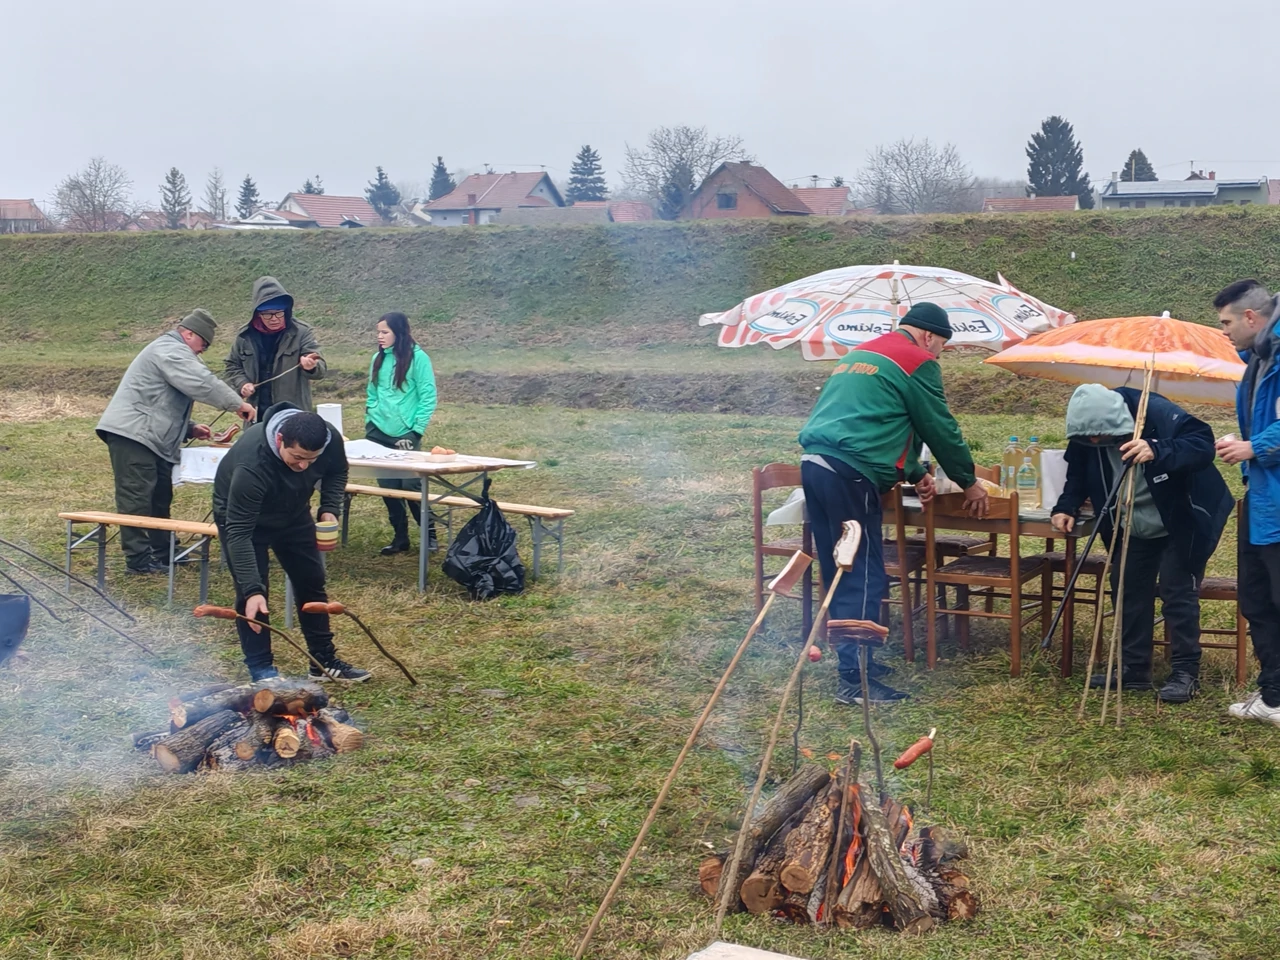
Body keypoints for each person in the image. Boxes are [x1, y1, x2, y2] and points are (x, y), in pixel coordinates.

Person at [798, 302, 989, 705]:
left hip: (816, 465)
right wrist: (968, 481)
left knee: (837, 566)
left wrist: (915, 471)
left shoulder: (863, 353)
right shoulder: (917, 360)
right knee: (862, 573)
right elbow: (938, 424)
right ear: (929, 337)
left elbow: (877, 419)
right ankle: (854, 679)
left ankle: (855, 658)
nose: (938, 356)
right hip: (850, 472)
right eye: (941, 348)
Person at [1050, 384, 1231, 702]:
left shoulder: (1155, 412)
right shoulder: (1086, 431)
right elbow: (1077, 472)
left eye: (1101, 436)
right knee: (1126, 586)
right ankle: (1135, 670)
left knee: (1177, 590)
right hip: (1133, 522)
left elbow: (1202, 445)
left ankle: (1185, 672)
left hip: (1182, 516)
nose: (1094, 442)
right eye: (1087, 438)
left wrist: (1157, 448)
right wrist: (1066, 506)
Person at [212, 402, 370, 683]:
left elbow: (336, 470)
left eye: (311, 459)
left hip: (293, 513)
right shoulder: (253, 465)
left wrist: (329, 506)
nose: (303, 466)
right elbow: (239, 533)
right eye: (297, 457)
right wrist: (252, 589)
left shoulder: (327, 437)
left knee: (311, 580)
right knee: (254, 598)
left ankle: (322, 661)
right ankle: (263, 674)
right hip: (244, 522)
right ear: (280, 439)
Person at [96, 309, 256, 574]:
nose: (202, 351)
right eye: (203, 344)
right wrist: (236, 403)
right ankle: (138, 561)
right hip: (133, 435)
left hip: (147, 434)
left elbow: (158, 398)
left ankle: (165, 552)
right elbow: (199, 381)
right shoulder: (170, 349)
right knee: (136, 499)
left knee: (160, 496)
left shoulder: (171, 351)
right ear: (189, 334)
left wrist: (190, 428)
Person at [1214, 278, 1280, 727]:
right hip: (1261, 499)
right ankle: (1274, 695)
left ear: (1251, 318)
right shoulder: (1258, 361)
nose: (1223, 331)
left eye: (1226, 322)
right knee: (1256, 599)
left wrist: (1254, 447)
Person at [364, 312, 439, 555]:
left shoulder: (419, 358)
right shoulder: (377, 358)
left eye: (385, 332)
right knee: (388, 486)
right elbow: (372, 392)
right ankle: (400, 538)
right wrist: (371, 417)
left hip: (406, 432)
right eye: (378, 332)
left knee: (410, 485)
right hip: (378, 431)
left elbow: (428, 396)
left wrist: (416, 430)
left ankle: (430, 536)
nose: (380, 337)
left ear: (399, 332)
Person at [223, 277, 326, 412]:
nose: (274, 319)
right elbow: (232, 366)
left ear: (286, 310)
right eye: (267, 314)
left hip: (293, 415)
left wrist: (311, 366)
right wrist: (242, 383)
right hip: (256, 415)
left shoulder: (302, 332)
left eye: (278, 313)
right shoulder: (245, 336)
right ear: (258, 314)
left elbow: (320, 369)